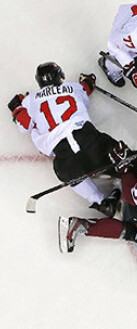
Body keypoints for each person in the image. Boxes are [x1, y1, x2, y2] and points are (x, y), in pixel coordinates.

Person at [8, 62, 121, 216]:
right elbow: (86, 87)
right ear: (60, 75)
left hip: (63, 151)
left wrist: (17, 108)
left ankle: (102, 202)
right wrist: (88, 80)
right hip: (87, 137)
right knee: (116, 154)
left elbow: (24, 125)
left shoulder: (30, 100)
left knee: (66, 172)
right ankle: (131, 173)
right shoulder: (73, 87)